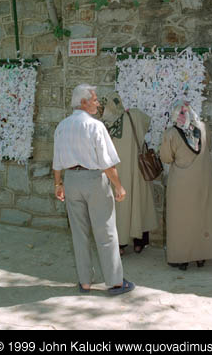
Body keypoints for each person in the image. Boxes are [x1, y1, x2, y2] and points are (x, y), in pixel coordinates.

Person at [52, 84, 135, 295]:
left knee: (79, 233)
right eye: (95, 100)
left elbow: (57, 161)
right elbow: (107, 163)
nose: (98, 103)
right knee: (106, 231)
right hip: (94, 180)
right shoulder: (95, 126)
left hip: (71, 180)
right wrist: (118, 186)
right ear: (83, 102)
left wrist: (58, 184)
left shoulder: (62, 126)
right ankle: (115, 282)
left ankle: (85, 281)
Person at [160, 100, 212, 271]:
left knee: (181, 219)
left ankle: (182, 258)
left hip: (181, 182)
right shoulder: (203, 128)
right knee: (202, 216)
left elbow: (165, 157)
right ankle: (201, 255)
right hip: (204, 179)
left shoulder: (171, 133)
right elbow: (208, 146)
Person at [101, 92, 158, 256]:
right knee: (139, 203)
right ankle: (140, 243)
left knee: (120, 207)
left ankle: (120, 244)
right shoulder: (134, 115)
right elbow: (147, 122)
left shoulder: (105, 124)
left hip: (117, 172)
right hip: (138, 169)